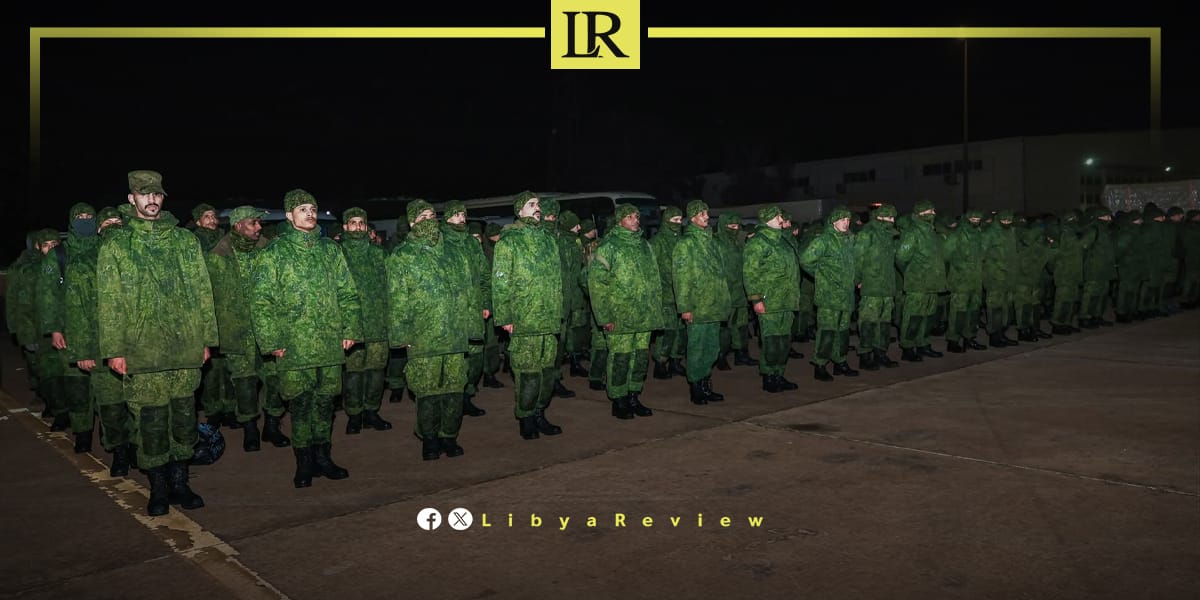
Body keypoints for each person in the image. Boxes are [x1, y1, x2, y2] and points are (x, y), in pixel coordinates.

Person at [97, 170, 218, 516]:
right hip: (142, 351)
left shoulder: (184, 240)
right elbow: (109, 302)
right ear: (131, 198)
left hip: (184, 348)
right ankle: (159, 488)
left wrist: (207, 339)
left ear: (163, 198)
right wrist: (114, 350)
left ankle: (181, 483)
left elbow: (202, 291)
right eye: (144, 193)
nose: (151, 199)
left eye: (157, 194)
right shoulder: (117, 244)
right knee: (150, 423)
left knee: (183, 418)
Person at [252, 189, 362, 488]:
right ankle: (304, 463)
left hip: (329, 342)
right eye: (302, 209)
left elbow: (347, 293)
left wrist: (350, 329)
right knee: (300, 406)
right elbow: (261, 302)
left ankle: (323, 458)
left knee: (325, 404)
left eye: (313, 208)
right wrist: (271, 340)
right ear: (289, 215)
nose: (310, 213)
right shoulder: (274, 253)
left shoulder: (330, 250)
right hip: (294, 345)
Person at [388, 200, 473, 459]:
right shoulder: (402, 255)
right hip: (422, 336)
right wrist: (401, 335)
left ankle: (449, 436)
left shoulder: (454, 253)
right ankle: (430, 438)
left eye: (431, 216)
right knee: (427, 391)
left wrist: (471, 327)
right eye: (422, 216)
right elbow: (397, 299)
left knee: (455, 389)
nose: (428, 220)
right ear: (412, 222)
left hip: (454, 333)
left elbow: (468, 292)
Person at [206, 205, 292, 451]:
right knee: (244, 383)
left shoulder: (269, 250)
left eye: (259, 223)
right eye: (253, 223)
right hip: (237, 332)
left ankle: (272, 426)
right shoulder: (218, 256)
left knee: (275, 379)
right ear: (238, 226)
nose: (259, 227)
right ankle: (250, 429)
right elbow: (209, 297)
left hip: (268, 329)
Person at [492, 191, 565, 440]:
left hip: (548, 318)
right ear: (519, 211)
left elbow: (556, 280)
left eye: (538, 204)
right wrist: (505, 317)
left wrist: (557, 311)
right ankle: (526, 417)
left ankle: (540, 413)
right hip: (524, 318)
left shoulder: (548, 240)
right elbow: (501, 282)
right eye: (531, 204)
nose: (537, 208)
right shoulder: (509, 241)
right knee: (528, 373)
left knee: (547, 372)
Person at [587, 204, 662, 419]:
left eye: (637, 216)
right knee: (620, 358)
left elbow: (655, 279)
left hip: (644, 315)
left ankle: (633, 395)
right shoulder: (608, 246)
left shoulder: (645, 245)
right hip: (619, 315)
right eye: (629, 217)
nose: (635, 220)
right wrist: (604, 317)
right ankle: (619, 399)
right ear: (620, 220)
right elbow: (597, 284)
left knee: (640, 358)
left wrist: (655, 309)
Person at [338, 207, 394, 433]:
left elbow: (391, 287)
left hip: (378, 324)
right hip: (352, 327)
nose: (358, 227)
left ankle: (372, 411)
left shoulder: (380, 254)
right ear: (345, 227)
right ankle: (354, 414)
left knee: (376, 371)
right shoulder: (338, 254)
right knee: (353, 373)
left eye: (361, 223)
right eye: (353, 223)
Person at [672, 200, 730, 403]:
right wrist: (685, 307)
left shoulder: (712, 242)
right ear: (692, 218)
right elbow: (681, 278)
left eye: (707, 212)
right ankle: (696, 387)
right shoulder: (686, 243)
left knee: (711, 348)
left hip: (714, 305)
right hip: (697, 306)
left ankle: (705, 384)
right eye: (702, 213)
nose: (707, 216)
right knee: (697, 348)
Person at [440, 201, 491, 418]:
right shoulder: (440, 242)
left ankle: (467, 396)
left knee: (474, 358)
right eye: (457, 215)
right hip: (451, 313)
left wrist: (486, 303)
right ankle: (451, 401)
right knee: (454, 360)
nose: (462, 218)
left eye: (463, 214)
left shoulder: (472, 243)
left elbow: (484, 275)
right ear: (447, 218)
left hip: (473, 310)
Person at [742, 205, 800, 391]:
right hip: (770, 300)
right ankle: (769, 377)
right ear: (767, 220)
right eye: (777, 217)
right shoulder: (758, 242)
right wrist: (756, 299)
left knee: (784, 340)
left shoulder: (783, 241)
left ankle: (779, 374)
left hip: (787, 299)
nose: (781, 220)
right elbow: (750, 273)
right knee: (771, 341)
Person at [799, 205, 858, 381]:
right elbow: (805, 260)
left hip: (846, 294)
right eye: (842, 220)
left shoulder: (849, 240)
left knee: (843, 331)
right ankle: (820, 364)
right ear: (833, 222)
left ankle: (840, 361)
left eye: (848, 220)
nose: (846, 223)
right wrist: (822, 275)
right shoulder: (824, 240)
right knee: (827, 331)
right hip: (828, 295)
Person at [538, 198, 579, 398]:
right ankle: (542, 386)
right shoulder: (536, 240)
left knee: (559, 346)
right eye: (547, 216)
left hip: (562, 304)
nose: (551, 220)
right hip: (541, 306)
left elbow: (570, 274)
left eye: (554, 216)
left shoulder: (561, 240)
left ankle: (554, 380)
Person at [853, 203, 902, 368]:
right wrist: (858, 280)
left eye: (893, 218)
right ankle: (865, 355)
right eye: (889, 217)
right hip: (871, 285)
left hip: (887, 287)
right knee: (868, 322)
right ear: (879, 217)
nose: (892, 221)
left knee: (884, 323)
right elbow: (857, 259)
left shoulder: (890, 236)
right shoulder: (867, 234)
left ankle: (881, 352)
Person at [942, 209, 988, 353]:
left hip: (976, 280)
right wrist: (959, 265)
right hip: (960, 281)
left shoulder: (979, 234)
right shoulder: (957, 235)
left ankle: (969, 338)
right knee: (958, 312)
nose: (975, 222)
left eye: (978, 220)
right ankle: (953, 341)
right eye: (973, 219)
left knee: (973, 311)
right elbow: (945, 254)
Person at [715, 211, 757, 369]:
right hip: (725, 292)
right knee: (724, 329)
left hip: (741, 291)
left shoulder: (739, 242)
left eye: (738, 226)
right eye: (732, 226)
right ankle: (721, 356)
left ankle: (741, 354)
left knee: (741, 326)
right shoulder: (716, 243)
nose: (736, 229)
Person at [649, 206, 687, 379]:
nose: (678, 223)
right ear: (666, 221)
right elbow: (651, 270)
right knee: (668, 332)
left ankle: (675, 361)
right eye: (674, 220)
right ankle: (660, 363)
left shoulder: (683, 241)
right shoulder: (657, 242)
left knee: (681, 331)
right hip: (665, 295)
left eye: (680, 219)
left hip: (682, 295)